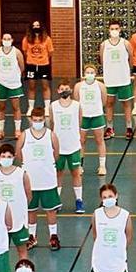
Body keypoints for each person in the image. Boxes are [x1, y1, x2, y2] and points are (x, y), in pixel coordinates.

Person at [19, 108, 62, 250]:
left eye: (40, 120)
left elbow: (57, 153)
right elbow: (18, 153)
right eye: (35, 120)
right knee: (31, 210)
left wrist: (47, 165)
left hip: (48, 180)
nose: (38, 122)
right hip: (31, 181)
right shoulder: (24, 135)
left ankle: (53, 236)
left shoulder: (51, 135)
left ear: (45, 119)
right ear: (31, 120)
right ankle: (32, 236)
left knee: (51, 210)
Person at [0, 143, 32, 262]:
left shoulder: (21, 173)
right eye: (3, 156)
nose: (6, 159)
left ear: (14, 157)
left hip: (19, 220)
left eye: (9, 157)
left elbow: (28, 195)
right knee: (1, 252)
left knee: (22, 251)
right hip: (1, 221)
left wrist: (22, 209)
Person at [50, 81, 85, 213]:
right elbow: (52, 123)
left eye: (66, 88)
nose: (64, 90)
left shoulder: (77, 106)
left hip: (73, 146)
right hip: (59, 147)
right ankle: (57, 201)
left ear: (70, 90)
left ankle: (79, 200)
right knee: (58, 174)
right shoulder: (53, 106)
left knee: (75, 173)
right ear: (58, 91)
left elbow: (80, 122)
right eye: (62, 88)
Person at [75, 65, 110, 176]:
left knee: (100, 141)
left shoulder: (101, 86)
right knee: (81, 141)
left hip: (97, 116)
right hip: (83, 117)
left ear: (95, 74)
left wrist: (97, 109)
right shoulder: (78, 86)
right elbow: (76, 101)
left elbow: (104, 100)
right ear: (84, 74)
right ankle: (80, 166)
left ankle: (102, 166)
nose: (89, 74)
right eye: (87, 72)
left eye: (92, 72)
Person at [101, 20, 133, 140]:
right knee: (109, 103)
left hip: (123, 79)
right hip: (110, 80)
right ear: (109, 30)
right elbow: (102, 60)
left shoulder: (126, 44)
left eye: (116, 28)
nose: (114, 31)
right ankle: (110, 128)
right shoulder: (104, 45)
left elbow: (131, 59)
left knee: (126, 104)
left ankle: (129, 128)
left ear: (120, 30)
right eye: (112, 28)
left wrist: (126, 71)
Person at [0, 33, 26, 136]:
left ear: (12, 40)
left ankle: (17, 130)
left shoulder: (17, 52)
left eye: (8, 38)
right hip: (0, 82)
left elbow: (22, 67)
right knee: (1, 107)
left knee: (16, 107)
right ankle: (0, 130)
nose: (6, 40)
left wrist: (14, 76)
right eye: (4, 38)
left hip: (14, 83)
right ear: (1, 40)